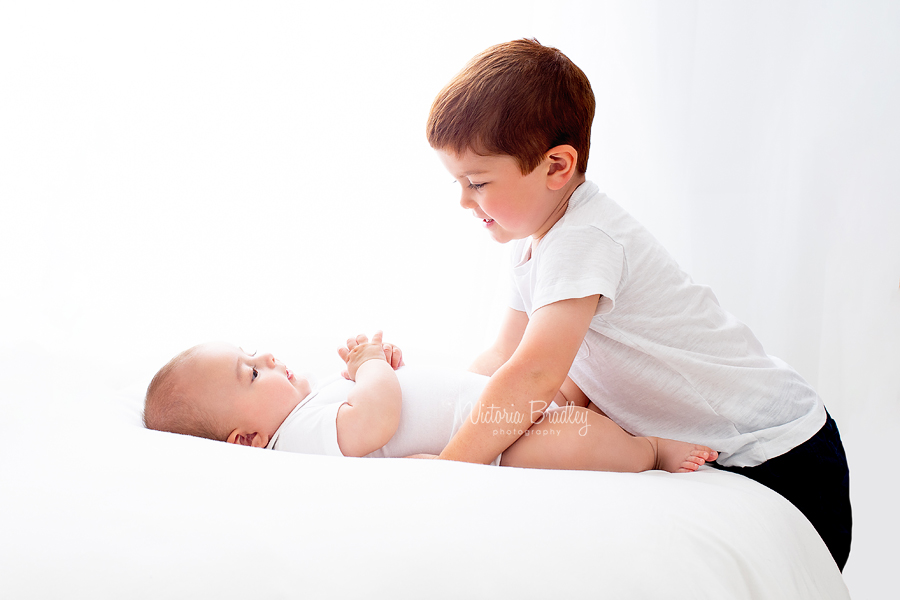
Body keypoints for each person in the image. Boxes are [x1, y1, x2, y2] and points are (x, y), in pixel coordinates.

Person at [425, 38, 851, 570]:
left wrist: (446, 470)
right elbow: (502, 361)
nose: (463, 200)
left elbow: (533, 375)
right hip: (721, 447)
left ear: (557, 166)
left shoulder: (586, 238)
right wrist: (432, 409)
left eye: (477, 182)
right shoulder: (535, 243)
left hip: (780, 454)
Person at [143, 331, 718, 473]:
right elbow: (378, 419)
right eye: (250, 372)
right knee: (584, 443)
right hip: (495, 435)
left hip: (492, 406)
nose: (268, 358)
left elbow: (379, 404)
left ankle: (588, 404)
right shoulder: (293, 442)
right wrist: (370, 369)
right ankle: (649, 449)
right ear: (245, 440)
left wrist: (381, 367)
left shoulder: (309, 409)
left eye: (253, 353)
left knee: (565, 389)